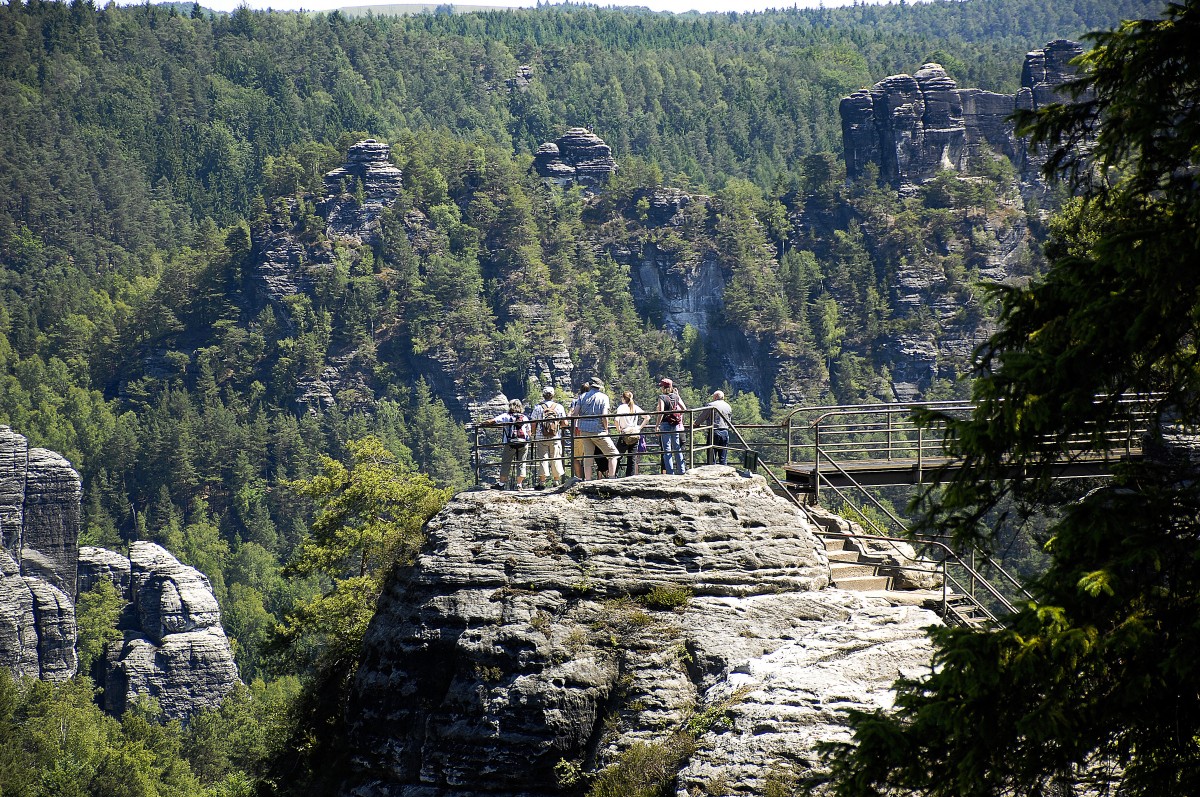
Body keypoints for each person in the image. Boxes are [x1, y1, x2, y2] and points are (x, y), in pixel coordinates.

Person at [573, 377, 619, 479]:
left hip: (584, 430)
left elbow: (575, 413)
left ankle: (588, 480)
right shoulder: (603, 397)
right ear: (599, 387)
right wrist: (606, 429)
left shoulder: (582, 397)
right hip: (598, 430)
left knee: (588, 457)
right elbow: (604, 415)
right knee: (613, 454)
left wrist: (574, 429)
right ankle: (611, 478)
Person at [480, 399, 530, 490]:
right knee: (521, 463)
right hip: (523, 444)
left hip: (510, 443)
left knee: (506, 463)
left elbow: (493, 421)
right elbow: (529, 432)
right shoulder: (525, 417)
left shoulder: (506, 416)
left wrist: (482, 423)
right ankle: (519, 485)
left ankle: (501, 484)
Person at [529, 387, 566, 489]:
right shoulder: (559, 407)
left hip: (541, 437)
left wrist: (533, 434)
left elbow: (533, 422)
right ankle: (556, 481)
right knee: (556, 457)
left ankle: (542, 482)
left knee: (543, 458)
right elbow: (565, 423)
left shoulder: (538, 407)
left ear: (543, 395)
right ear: (553, 395)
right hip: (555, 436)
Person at [656, 378, 688, 475]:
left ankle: (670, 472)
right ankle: (682, 470)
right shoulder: (676, 396)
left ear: (663, 387)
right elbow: (684, 408)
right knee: (677, 447)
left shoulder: (662, 397)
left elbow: (661, 412)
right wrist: (676, 415)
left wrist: (657, 424)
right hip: (675, 424)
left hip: (665, 423)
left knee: (667, 449)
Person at [614, 390, 649, 476]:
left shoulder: (621, 407)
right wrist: (639, 428)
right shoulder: (635, 407)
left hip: (625, 433)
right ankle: (630, 475)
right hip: (634, 434)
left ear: (623, 398)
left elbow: (616, 420)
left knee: (617, 455)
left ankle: (614, 474)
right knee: (632, 457)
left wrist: (618, 429)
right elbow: (647, 417)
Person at [701, 389, 733, 465]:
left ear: (715, 397)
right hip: (725, 431)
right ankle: (724, 472)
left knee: (711, 455)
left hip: (714, 431)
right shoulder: (728, 406)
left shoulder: (711, 405)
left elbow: (703, 416)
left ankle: (711, 472)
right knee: (723, 455)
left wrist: (696, 424)